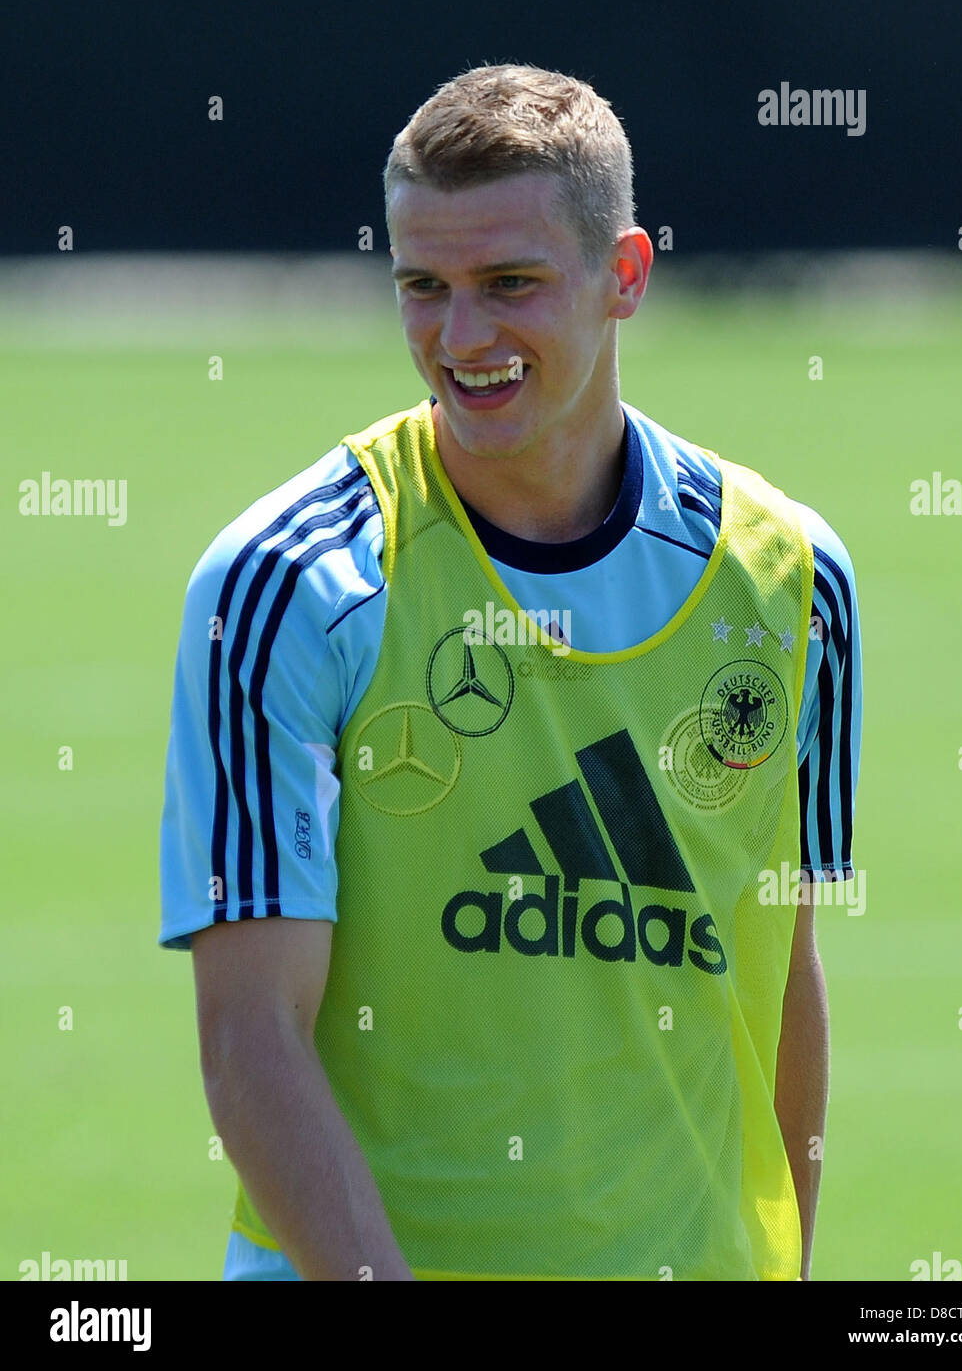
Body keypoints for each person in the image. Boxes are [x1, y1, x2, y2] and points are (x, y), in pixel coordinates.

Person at [159, 63, 861, 1282]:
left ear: (624, 276)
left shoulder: (791, 580)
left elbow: (780, 974)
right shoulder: (287, 586)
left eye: (509, 286)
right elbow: (251, 1038)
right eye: (421, 288)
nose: (458, 338)